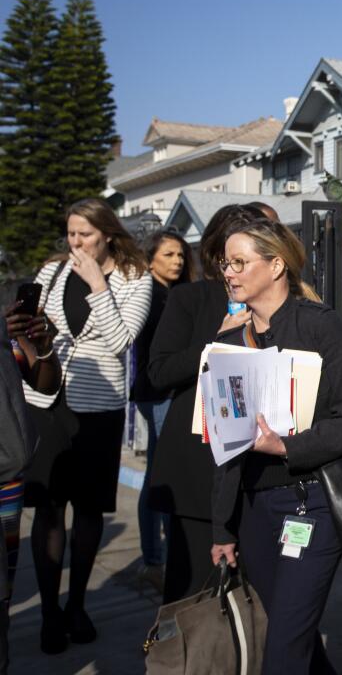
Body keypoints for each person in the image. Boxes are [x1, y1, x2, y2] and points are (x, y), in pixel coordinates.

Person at [209, 219, 342, 674]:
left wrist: (286, 446)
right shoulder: (225, 342)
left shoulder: (321, 327)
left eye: (240, 262)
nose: (230, 272)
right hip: (255, 510)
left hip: (312, 505)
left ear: (276, 264)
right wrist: (222, 527)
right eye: (226, 263)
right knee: (289, 635)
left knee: (282, 651)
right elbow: (222, 446)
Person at [22, 197, 153, 654]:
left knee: (90, 509)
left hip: (99, 409)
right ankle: (49, 613)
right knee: (49, 508)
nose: (75, 242)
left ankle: (77, 603)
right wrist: (29, 330)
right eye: (71, 233)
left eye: (85, 234)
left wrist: (98, 283)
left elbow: (120, 342)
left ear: (108, 234)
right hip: (47, 400)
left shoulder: (137, 278)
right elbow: (34, 331)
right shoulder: (53, 272)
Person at [145, 205, 265, 604]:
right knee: (192, 596)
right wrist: (216, 344)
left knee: (259, 597)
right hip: (197, 469)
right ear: (219, 252)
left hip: (261, 469)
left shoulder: (278, 300)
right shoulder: (189, 298)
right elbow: (159, 371)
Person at [132, 228, 194, 586]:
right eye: (169, 254)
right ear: (150, 258)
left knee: (164, 470)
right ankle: (155, 559)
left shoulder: (178, 294)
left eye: (181, 255)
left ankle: (162, 556)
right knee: (161, 473)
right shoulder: (148, 295)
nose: (177, 261)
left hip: (174, 390)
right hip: (157, 392)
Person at [2, 295, 59, 674]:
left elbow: (45, 382)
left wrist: (42, 346)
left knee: (2, 595)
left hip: (7, 477)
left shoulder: (6, 323)